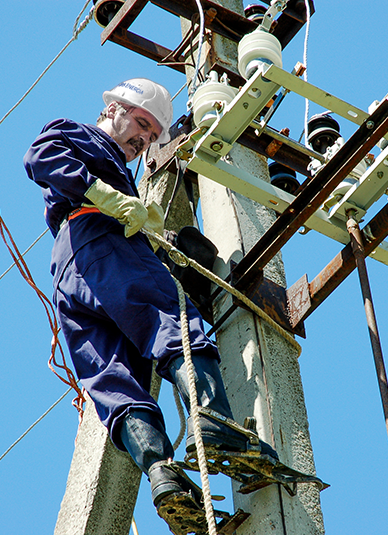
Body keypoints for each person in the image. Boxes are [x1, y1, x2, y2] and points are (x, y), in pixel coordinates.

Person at [23, 78, 278, 528]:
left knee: (114, 378)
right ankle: (217, 426)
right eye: (141, 123)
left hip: (71, 274)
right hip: (98, 240)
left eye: (150, 137)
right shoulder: (79, 135)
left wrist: (156, 239)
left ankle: (164, 476)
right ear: (114, 108)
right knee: (173, 324)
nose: (142, 140)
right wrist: (103, 195)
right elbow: (40, 156)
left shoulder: (122, 186)